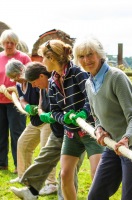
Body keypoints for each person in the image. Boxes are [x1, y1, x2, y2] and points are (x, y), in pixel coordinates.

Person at [73, 36, 132, 200]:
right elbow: (96, 116)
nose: (86, 60)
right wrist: (99, 129)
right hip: (112, 145)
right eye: (82, 56)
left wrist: (127, 139)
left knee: (130, 197)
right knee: (95, 196)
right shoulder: (88, 83)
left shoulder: (116, 77)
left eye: (90, 54)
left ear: (99, 54)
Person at [37, 39, 104, 200]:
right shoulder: (52, 81)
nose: (42, 62)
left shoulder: (77, 73)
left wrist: (83, 113)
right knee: (65, 174)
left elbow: (91, 98)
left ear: (51, 58)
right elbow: (55, 111)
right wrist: (64, 119)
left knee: (96, 174)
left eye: (43, 58)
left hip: (92, 131)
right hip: (72, 134)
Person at [10, 61, 85, 200]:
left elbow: (66, 106)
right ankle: (31, 191)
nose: (33, 86)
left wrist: (52, 115)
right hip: (57, 132)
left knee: (68, 169)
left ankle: (64, 197)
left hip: (73, 133)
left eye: (34, 82)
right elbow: (40, 106)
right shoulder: (45, 87)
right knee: (44, 158)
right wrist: (41, 112)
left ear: (41, 76)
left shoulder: (59, 82)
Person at [5, 59, 57, 196]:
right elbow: (21, 99)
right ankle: (24, 176)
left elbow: (43, 95)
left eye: (17, 76)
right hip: (35, 121)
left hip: (46, 119)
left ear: (22, 71)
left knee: (46, 150)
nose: (16, 79)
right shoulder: (18, 84)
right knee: (23, 143)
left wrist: (40, 109)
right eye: (13, 78)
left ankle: (51, 183)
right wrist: (27, 106)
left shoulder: (34, 79)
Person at [0, 29, 30, 173]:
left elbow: (30, 78)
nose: (9, 45)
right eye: (6, 42)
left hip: (17, 102)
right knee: (0, 134)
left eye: (12, 42)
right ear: (2, 43)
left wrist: (15, 88)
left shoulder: (23, 58)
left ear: (16, 43)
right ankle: (2, 164)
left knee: (17, 134)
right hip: (0, 101)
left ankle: (19, 165)